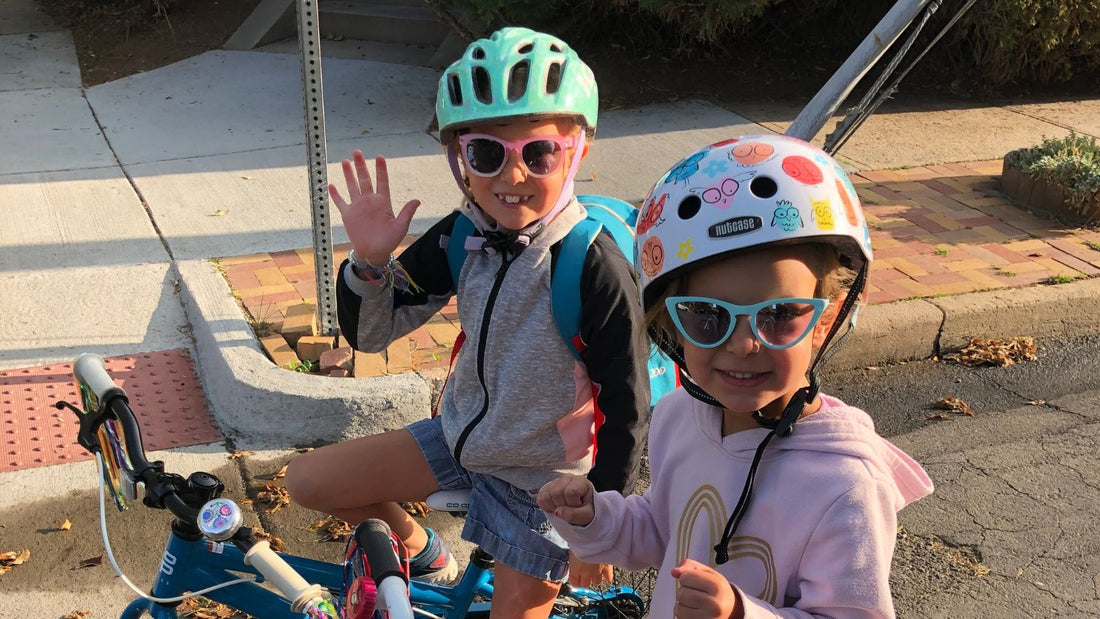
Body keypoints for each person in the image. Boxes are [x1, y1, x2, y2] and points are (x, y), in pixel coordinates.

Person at [283, 27, 652, 618]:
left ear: (577, 150)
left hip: (546, 484)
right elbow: (372, 335)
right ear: (461, 159)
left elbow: (628, 403)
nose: (511, 177)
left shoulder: (593, 264)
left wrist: (598, 523)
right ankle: (423, 553)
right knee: (308, 481)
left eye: (538, 153)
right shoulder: (464, 234)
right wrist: (369, 264)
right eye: (486, 153)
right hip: (460, 441)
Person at [537, 135, 934, 618]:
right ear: (671, 327)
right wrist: (596, 518)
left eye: (781, 313)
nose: (744, 343)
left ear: (824, 323)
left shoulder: (845, 482)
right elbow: (663, 529)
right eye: (707, 315)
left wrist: (741, 613)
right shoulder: (680, 416)